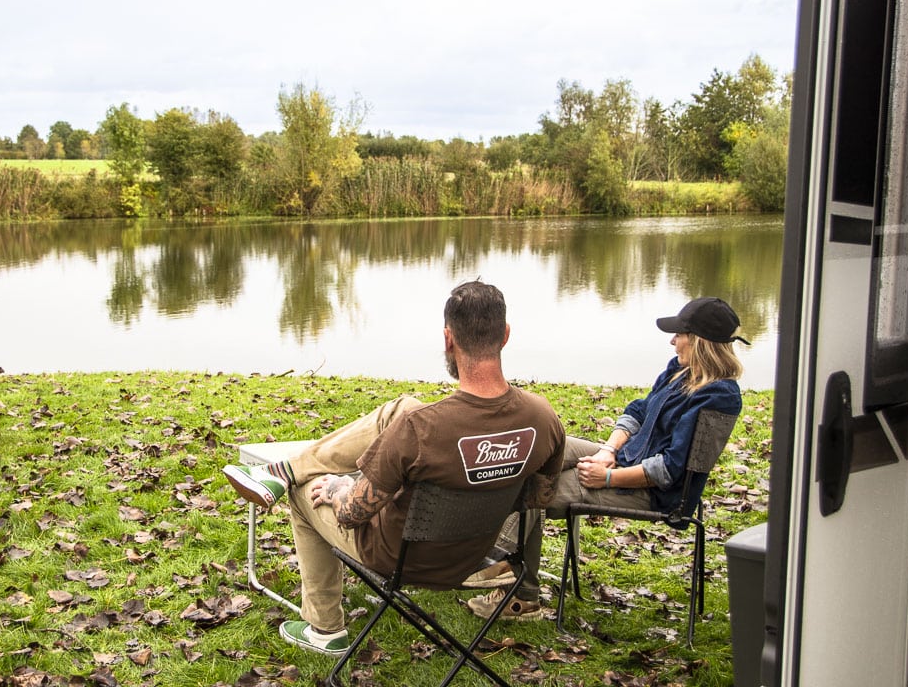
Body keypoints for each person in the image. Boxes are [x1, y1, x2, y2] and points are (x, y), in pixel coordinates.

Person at [221, 280, 565, 656]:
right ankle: (285, 468)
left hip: (399, 558)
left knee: (304, 493)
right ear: (506, 336)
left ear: (448, 339)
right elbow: (537, 498)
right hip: (473, 555)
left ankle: (324, 628)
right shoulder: (542, 417)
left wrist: (338, 489)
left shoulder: (423, 431)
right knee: (402, 406)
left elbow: (353, 514)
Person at [465, 296, 747, 621]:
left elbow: (670, 469)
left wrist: (608, 478)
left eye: (679, 335)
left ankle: (515, 591)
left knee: (534, 490)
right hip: (626, 459)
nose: (672, 340)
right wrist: (607, 451)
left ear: (700, 342)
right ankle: (495, 560)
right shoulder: (681, 371)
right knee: (537, 448)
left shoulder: (718, 397)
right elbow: (638, 411)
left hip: (653, 492)